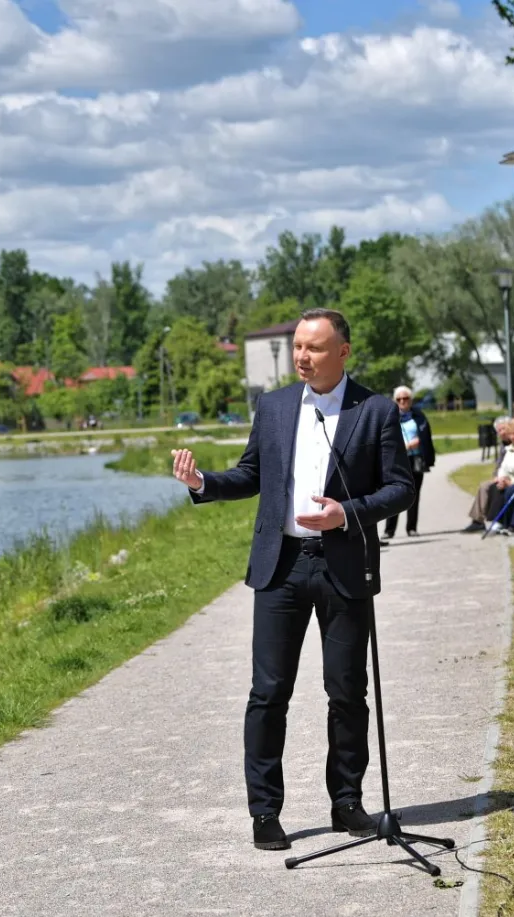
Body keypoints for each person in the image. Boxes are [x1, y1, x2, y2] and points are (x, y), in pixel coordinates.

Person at [170, 308, 415, 852]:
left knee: (348, 692)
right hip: (280, 568)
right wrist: (203, 482)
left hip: (343, 565)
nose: (303, 356)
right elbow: (253, 474)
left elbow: (402, 488)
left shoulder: (373, 410)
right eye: (298, 346)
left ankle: (347, 805)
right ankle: (265, 812)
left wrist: (346, 512)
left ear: (343, 352)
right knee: (269, 692)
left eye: (315, 347)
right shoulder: (276, 405)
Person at [381, 386, 434, 539]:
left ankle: (412, 528)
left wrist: (425, 452)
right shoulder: (389, 417)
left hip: (415, 459)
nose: (402, 402)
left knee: (415, 494)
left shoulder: (419, 416)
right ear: (394, 401)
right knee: (393, 494)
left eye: (406, 399)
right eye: (399, 399)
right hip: (396, 460)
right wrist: (407, 445)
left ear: (411, 400)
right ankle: (389, 530)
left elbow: (426, 438)